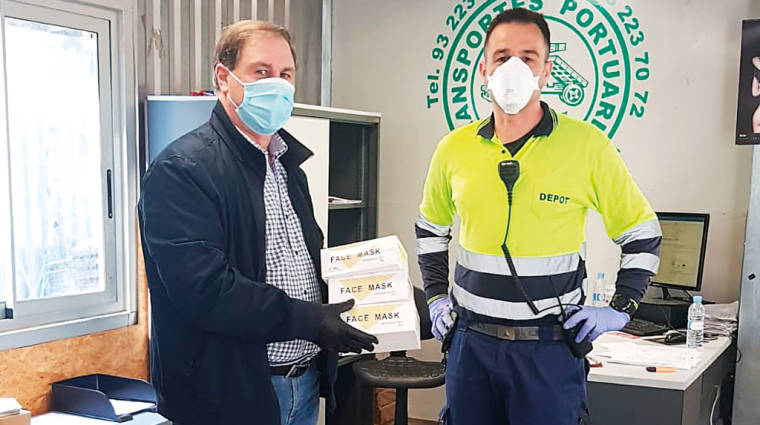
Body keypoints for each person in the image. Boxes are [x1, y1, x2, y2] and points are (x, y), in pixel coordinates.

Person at [415, 8, 661, 425]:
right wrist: (437, 297)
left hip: (547, 352)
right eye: (502, 56)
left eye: (528, 58)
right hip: (470, 348)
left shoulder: (588, 146)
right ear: (483, 70)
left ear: (546, 71)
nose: (514, 67)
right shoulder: (453, 149)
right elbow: (430, 231)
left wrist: (622, 306)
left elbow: (642, 233)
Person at [139, 20, 377, 425]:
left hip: (302, 385)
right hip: (228, 396)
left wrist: (381, 294)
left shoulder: (288, 167)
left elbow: (308, 265)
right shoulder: (183, 170)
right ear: (223, 79)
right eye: (261, 72)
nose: (278, 85)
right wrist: (310, 319)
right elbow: (206, 291)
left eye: (286, 74)